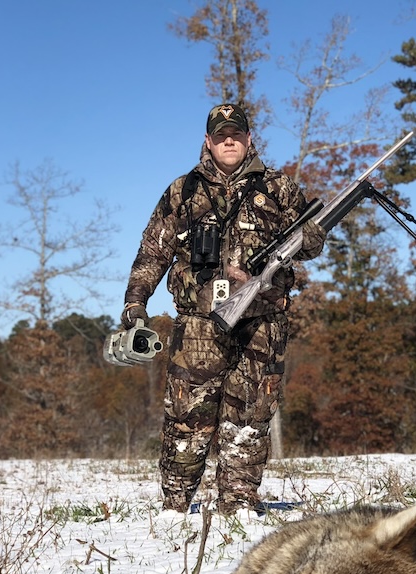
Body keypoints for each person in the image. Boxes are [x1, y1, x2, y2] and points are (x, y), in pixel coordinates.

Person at [120, 103, 326, 514]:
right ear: (208, 142)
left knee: (250, 416)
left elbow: (312, 247)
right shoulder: (183, 190)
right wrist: (135, 303)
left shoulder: (280, 188)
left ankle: (239, 506)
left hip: (263, 323)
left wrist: (315, 235)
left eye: (236, 133)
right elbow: (152, 253)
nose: (228, 140)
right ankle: (175, 507)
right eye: (220, 134)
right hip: (198, 325)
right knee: (187, 416)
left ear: (249, 139)